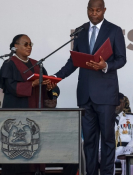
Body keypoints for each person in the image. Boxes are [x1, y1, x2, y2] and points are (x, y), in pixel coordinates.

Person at [53, 0, 126, 174]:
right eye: (91, 10)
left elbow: (122, 59)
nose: (94, 13)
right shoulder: (80, 31)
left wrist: (105, 66)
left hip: (106, 95)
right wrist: (56, 77)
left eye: (98, 10)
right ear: (87, 10)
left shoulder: (114, 30)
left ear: (104, 10)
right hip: (85, 96)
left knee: (107, 140)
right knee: (90, 141)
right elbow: (73, 61)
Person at [0, 34, 56, 108]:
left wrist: (48, 88)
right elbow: (10, 87)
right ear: (16, 46)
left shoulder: (37, 64)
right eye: (25, 44)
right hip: (16, 108)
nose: (29, 47)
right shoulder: (9, 64)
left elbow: (43, 91)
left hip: (36, 108)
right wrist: (32, 84)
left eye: (30, 44)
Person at [99, 93, 133, 175]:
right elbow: (100, 136)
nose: (115, 106)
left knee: (128, 156)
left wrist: (130, 147)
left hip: (126, 149)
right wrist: (100, 150)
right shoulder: (103, 119)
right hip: (108, 149)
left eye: (118, 103)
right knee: (106, 155)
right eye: (112, 103)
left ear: (123, 104)